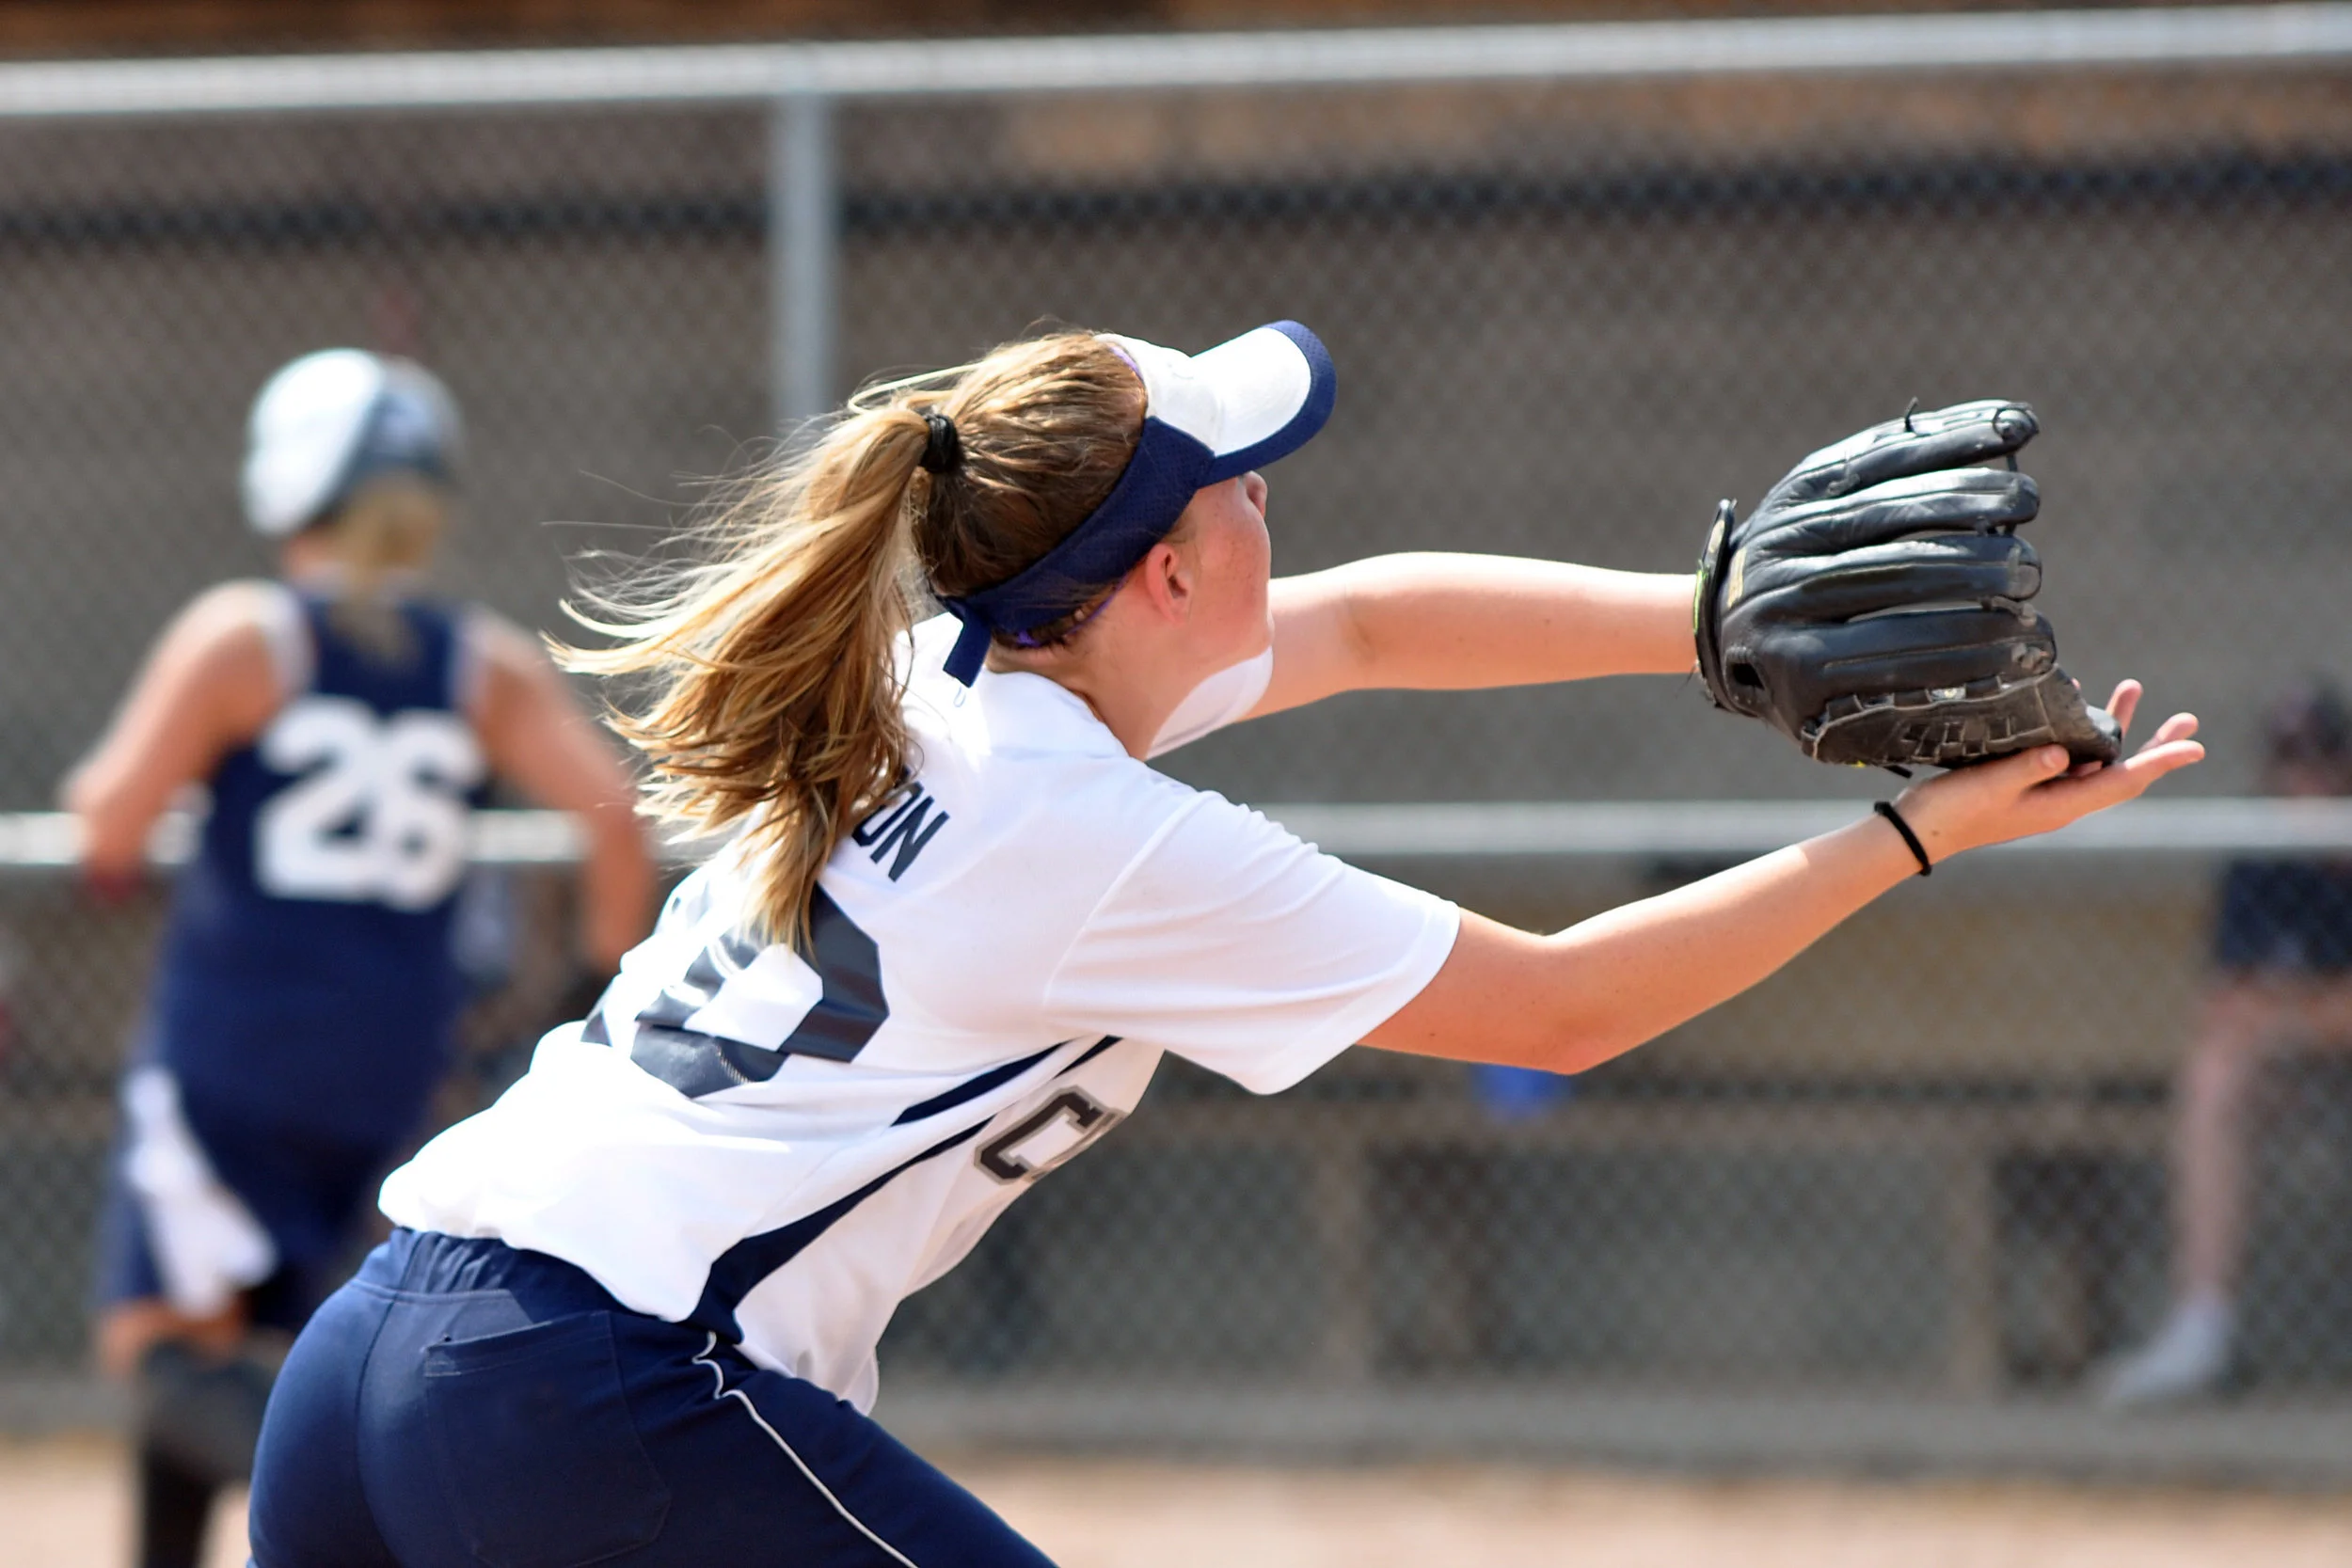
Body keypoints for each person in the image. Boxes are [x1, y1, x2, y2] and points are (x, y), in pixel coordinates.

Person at [245, 323, 2200, 1566]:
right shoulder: (1085, 831)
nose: (1276, 507)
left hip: (382, 1339)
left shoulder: (949, 675)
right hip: (595, 1387)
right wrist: (1905, 832)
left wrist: (1708, 619)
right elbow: (1565, 1001)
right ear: (1165, 572)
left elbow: (1354, 626)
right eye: (1244, 484)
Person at [67, 348, 658, 1568]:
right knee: (234, 1330)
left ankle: (400, 1524)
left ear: (291, 483)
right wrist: (592, 984)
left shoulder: (244, 638)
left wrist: (106, 805)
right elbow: (614, 819)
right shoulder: (476, 661)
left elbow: (112, 824)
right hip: (391, 1060)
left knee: (157, 1337)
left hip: (233, 1050)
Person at [2099, 681, 2352, 1407]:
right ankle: (2201, 1329)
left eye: (2321, 759)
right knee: (2214, 1078)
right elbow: (2226, 1006)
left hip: (2300, 1042)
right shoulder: (2260, 855)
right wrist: (2313, 1015)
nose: (2305, 779)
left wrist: (2290, 1011)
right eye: (2289, 761)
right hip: (2295, 1068)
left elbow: (2266, 1006)